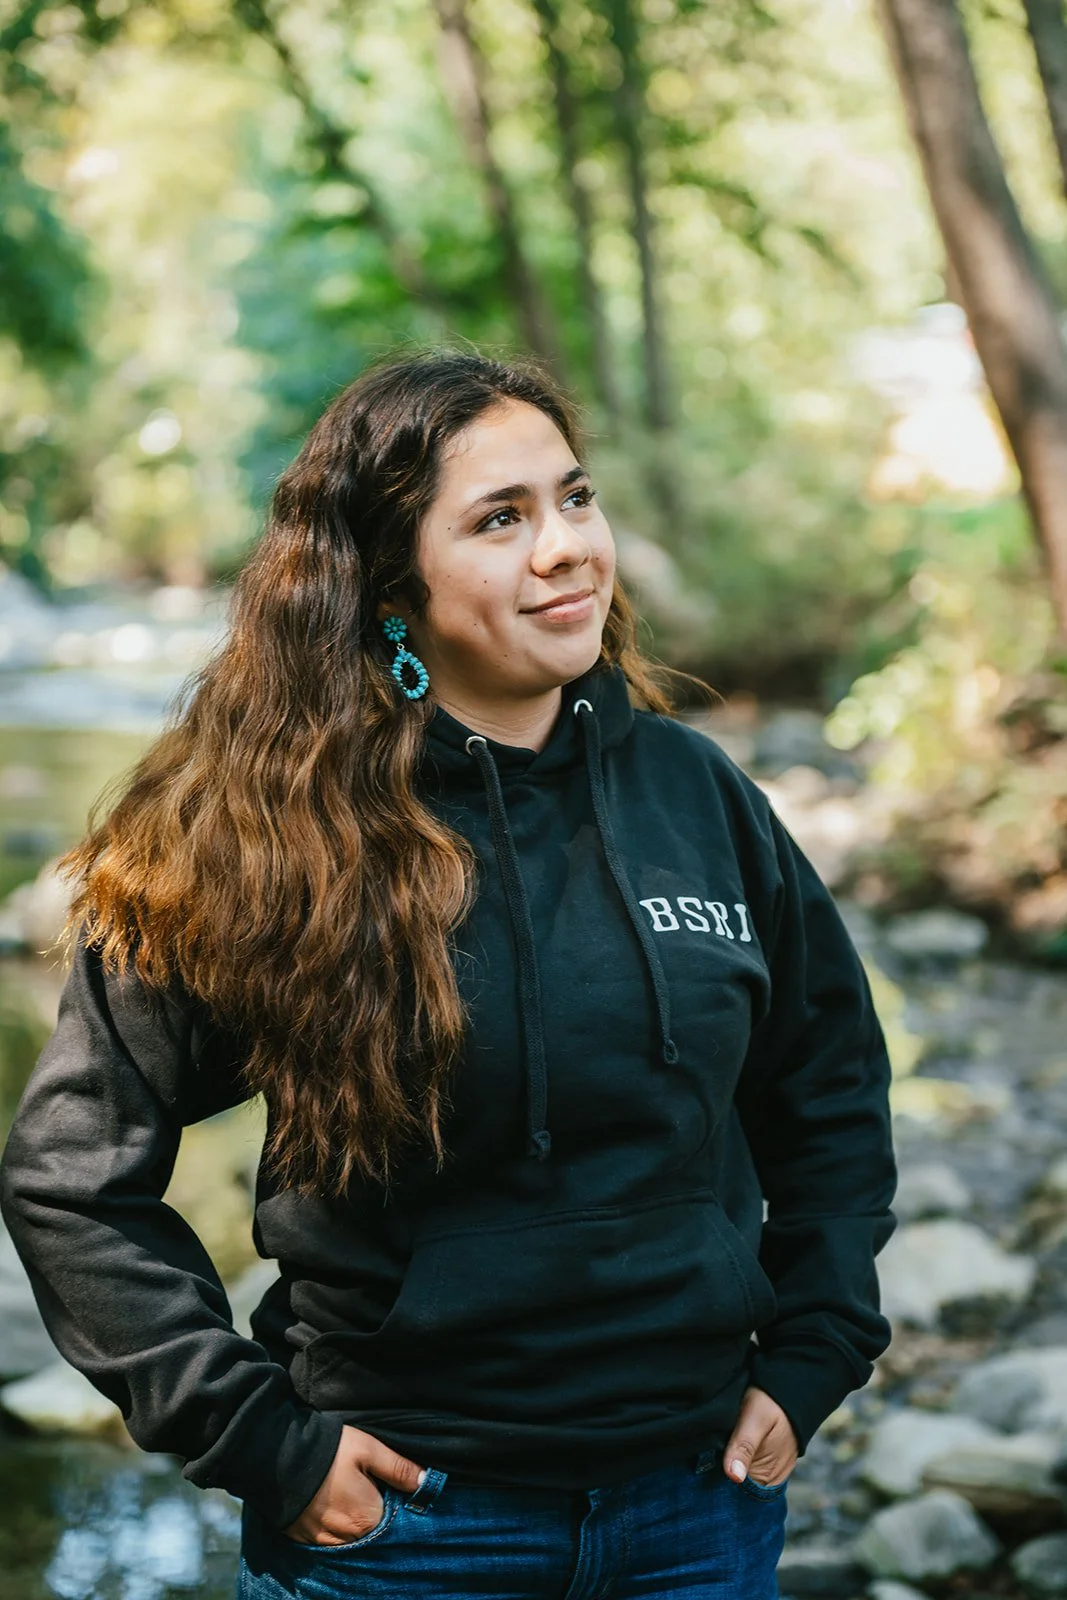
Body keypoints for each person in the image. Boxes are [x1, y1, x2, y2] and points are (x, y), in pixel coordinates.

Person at [0, 347, 898, 1600]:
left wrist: (814, 1346)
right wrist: (258, 1437)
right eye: (500, 519)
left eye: (574, 499)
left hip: (698, 1512)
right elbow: (72, 1176)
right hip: (410, 1536)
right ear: (387, 585)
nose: (565, 547)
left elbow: (829, 1085)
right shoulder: (262, 836)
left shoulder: (696, 795)